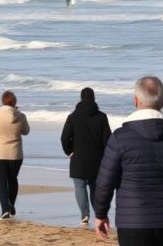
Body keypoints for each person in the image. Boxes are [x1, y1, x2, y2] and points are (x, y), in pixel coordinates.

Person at [94, 76, 163, 246]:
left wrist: (100, 213)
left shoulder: (120, 138)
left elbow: (105, 181)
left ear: (135, 101)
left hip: (132, 223)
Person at [61, 87, 111, 226]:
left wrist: (69, 151)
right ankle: (99, 216)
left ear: (81, 98)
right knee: (95, 188)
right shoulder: (101, 117)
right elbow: (108, 140)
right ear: (94, 98)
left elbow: (64, 137)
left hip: (78, 159)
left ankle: (84, 215)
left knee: (80, 187)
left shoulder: (73, 117)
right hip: (98, 160)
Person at [0, 90, 31, 220]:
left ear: (2, 101)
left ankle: (5, 209)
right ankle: (11, 203)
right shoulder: (20, 116)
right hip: (15, 154)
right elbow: (26, 131)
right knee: (13, 179)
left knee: (1, 181)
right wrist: (19, 115)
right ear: (14, 102)